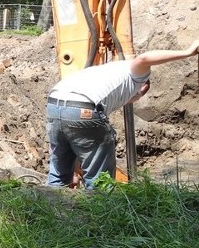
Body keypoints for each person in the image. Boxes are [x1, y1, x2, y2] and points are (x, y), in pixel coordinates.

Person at [46, 40, 199, 188]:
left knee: (58, 175)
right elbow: (144, 59)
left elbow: (75, 129)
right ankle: (98, 208)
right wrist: (187, 52)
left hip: (54, 104)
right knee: (100, 180)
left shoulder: (106, 75)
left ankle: (48, 208)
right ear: (143, 85)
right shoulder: (135, 74)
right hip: (83, 107)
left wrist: (73, 169)